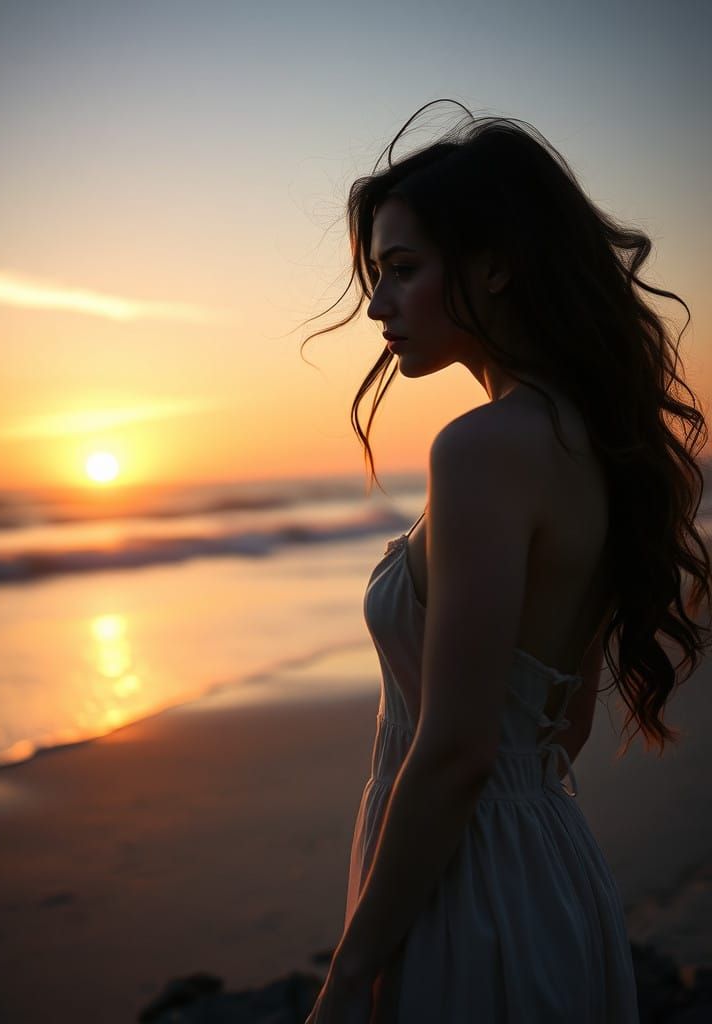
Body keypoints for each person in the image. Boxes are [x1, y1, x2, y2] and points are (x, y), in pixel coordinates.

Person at [301, 101, 712, 1023]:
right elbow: (551, 736)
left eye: (402, 271)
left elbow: (455, 752)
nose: (378, 304)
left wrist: (349, 972)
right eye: (377, 275)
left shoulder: (483, 449)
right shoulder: (600, 444)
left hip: (470, 894)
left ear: (493, 264)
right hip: (550, 873)